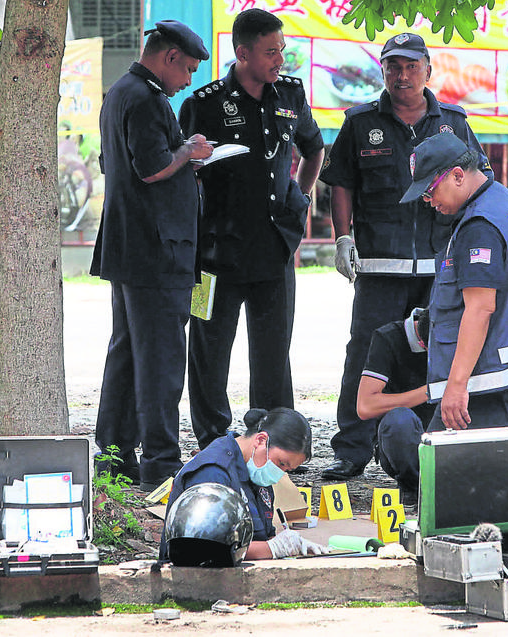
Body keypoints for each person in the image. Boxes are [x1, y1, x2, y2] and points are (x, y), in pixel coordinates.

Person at [319, 32, 491, 480]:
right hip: (380, 265)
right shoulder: (359, 122)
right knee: (364, 353)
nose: (403, 75)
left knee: (441, 352)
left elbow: (479, 180)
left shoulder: (452, 121)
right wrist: (343, 238)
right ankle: (352, 449)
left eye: (412, 66)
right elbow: (342, 183)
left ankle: (438, 442)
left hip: (442, 267)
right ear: (383, 70)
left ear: (428, 70)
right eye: (394, 66)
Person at [179, 8, 325, 450]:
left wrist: (298, 199)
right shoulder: (203, 104)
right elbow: (183, 174)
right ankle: (212, 440)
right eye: (269, 52)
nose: (279, 60)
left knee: (273, 353)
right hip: (214, 253)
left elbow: (313, 148)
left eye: (281, 50)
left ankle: (274, 440)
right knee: (208, 347)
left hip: (273, 248)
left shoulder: (291, 95)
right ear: (242, 53)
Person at [90, 20, 213, 492]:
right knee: (161, 357)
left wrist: (183, 159)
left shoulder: (120, 92)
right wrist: (191, 150)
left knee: (128, 352)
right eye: (187, 70)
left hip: (132, 248)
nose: (188, 82)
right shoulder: (143, 98)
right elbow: (152, 167)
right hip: (156, 251)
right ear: (168, 58)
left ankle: (116, 451)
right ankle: (161, 460)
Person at [400, 132, 508, 431]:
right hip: (506, 366)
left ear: (457, 176)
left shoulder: (480, 226)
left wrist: (456, 385)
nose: (429, 202)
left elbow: (479, 308)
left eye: (430, 191)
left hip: (486, 376)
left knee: (447, 467)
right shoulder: (502, 199)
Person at [159, 407, 328, 560]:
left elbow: (262, 535)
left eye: (288, 469)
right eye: (281, 463)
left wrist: (291, 545)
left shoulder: (257, 469)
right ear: (261, 440)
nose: (280, 473)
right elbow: (203, 548)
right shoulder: (213, 472)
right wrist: (273, 548)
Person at [355, 307, 432, 506]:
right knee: (399, 421)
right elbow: (365, 406)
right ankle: (413, 486)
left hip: (453, 433)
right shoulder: (388, 338)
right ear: (423, 343)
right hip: (410, 439)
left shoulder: (472, 328)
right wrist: (431, 391)